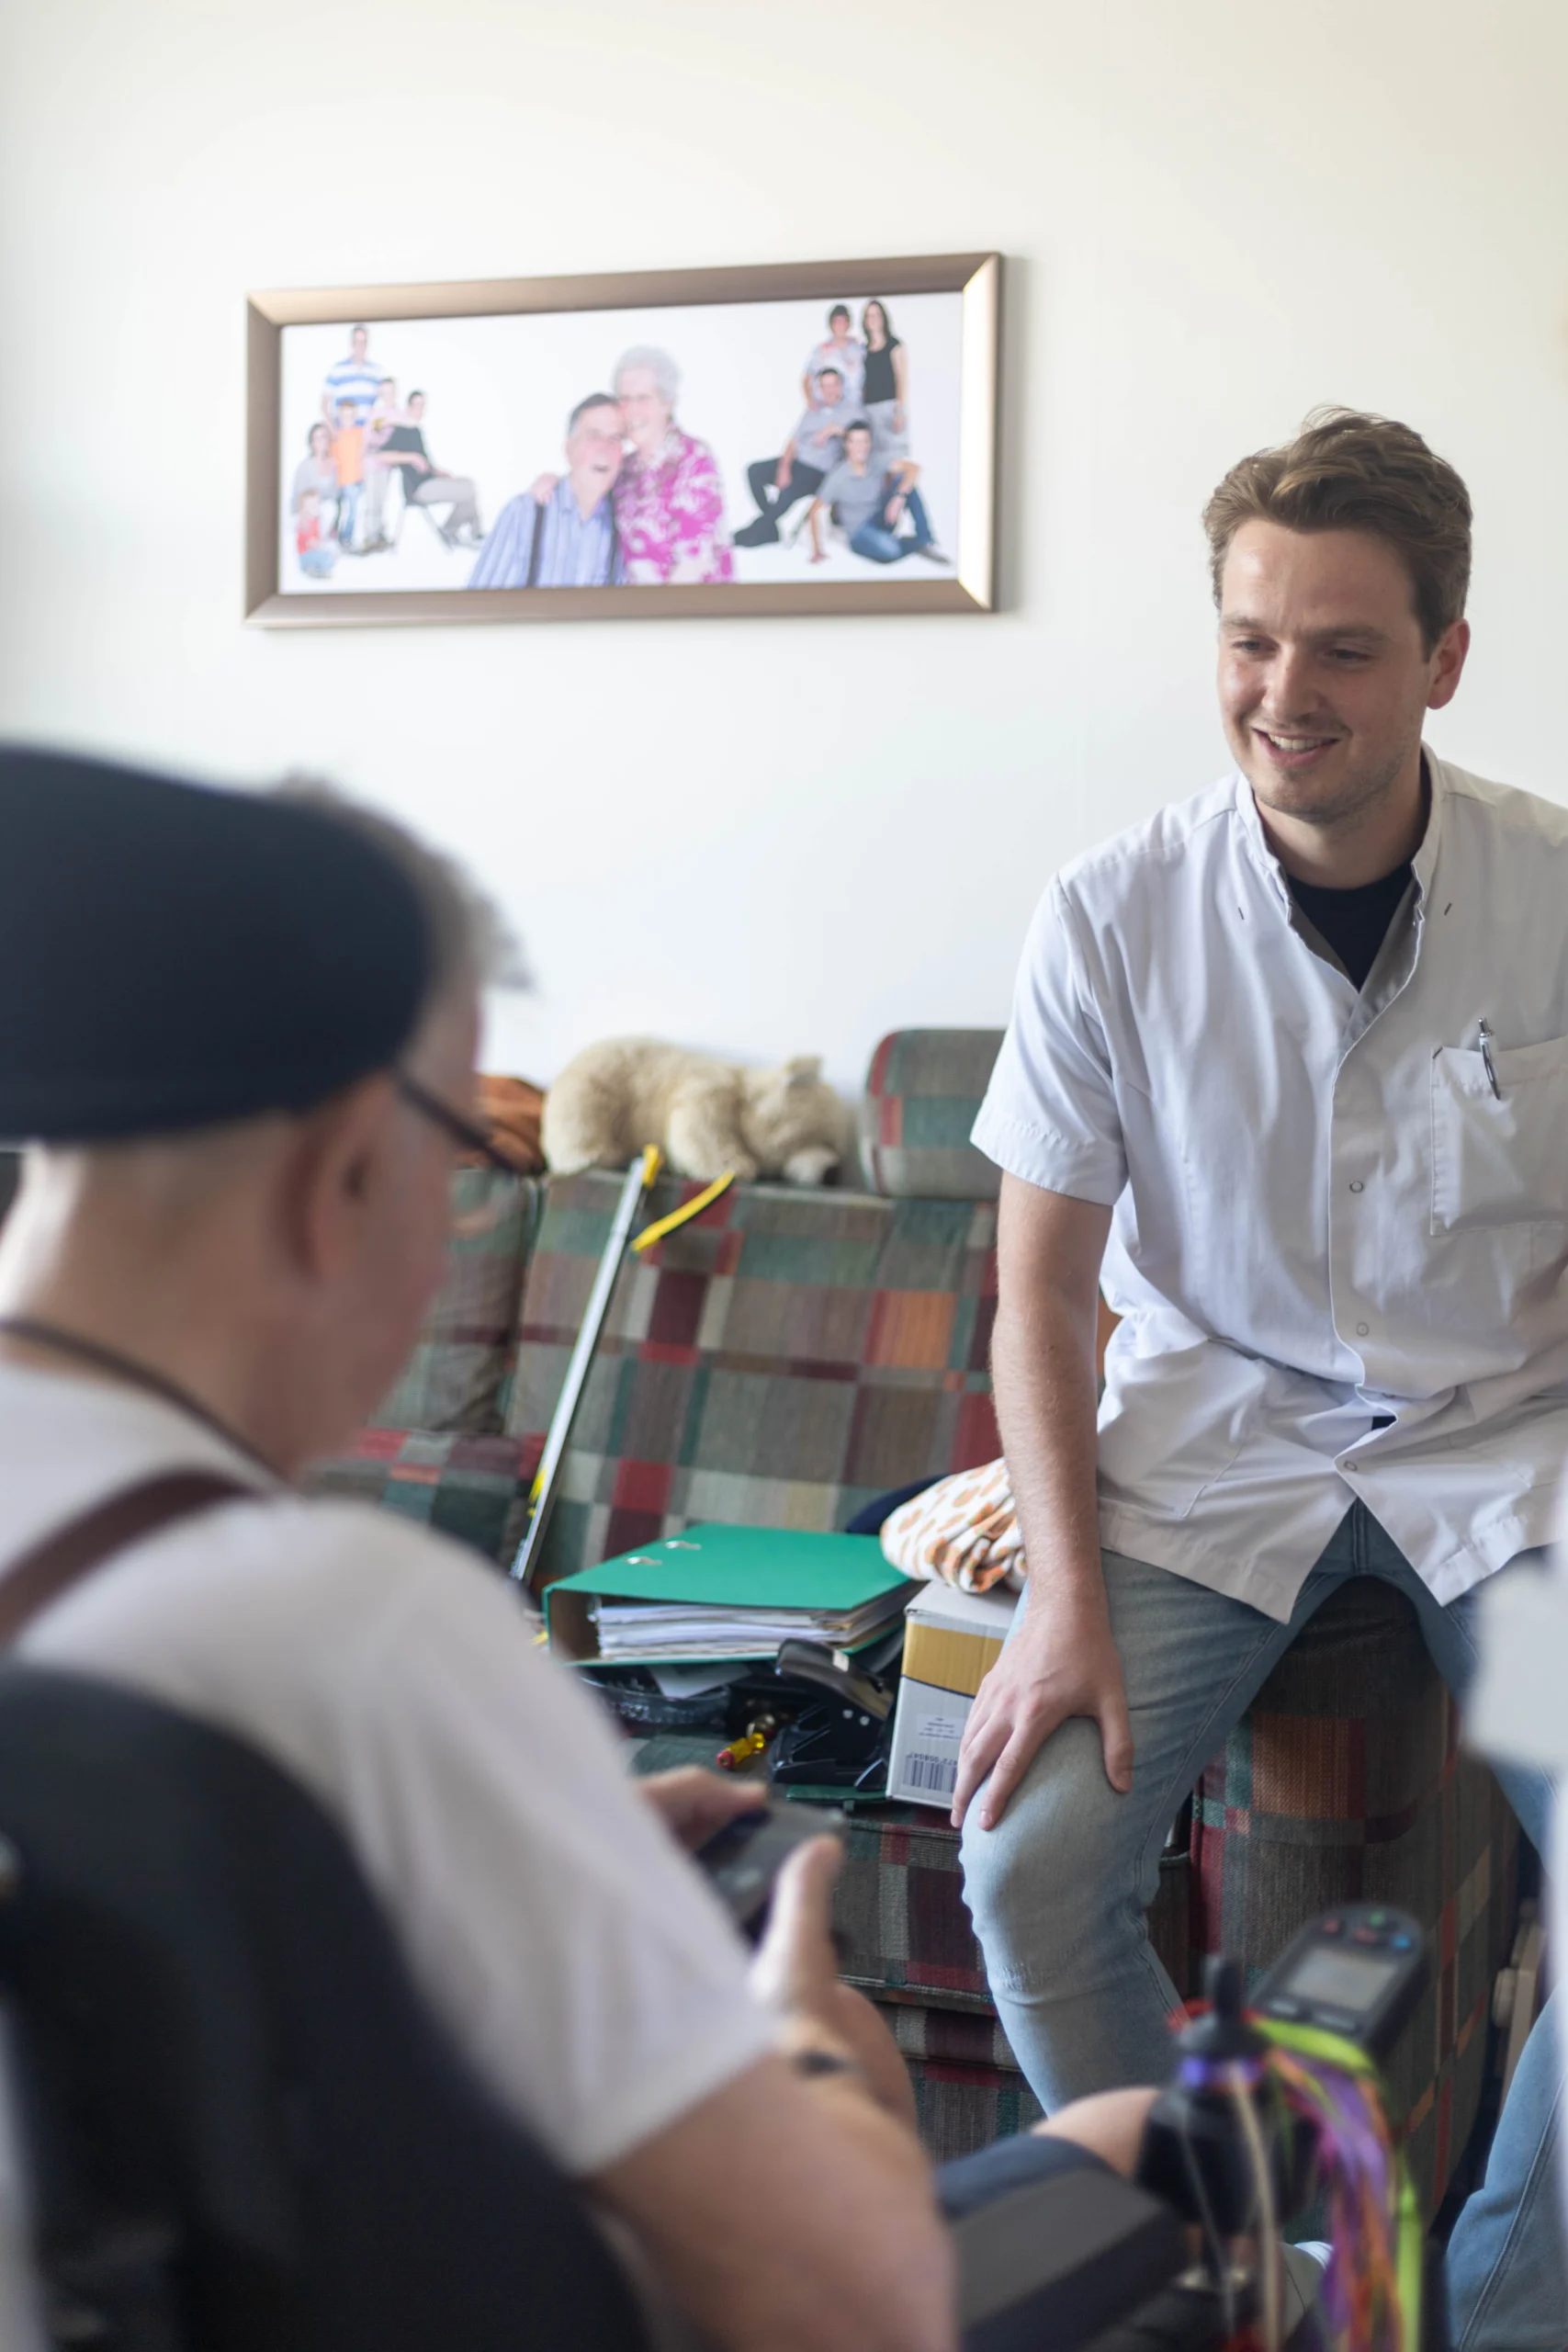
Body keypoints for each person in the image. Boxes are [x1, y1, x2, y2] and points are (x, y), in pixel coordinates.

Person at [0, 745, 1159, 2352]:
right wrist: (796, 2034)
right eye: (465, 1155)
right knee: (1146, 2151)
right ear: (345, 1165)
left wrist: (537, 1846)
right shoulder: (355, 1636)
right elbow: (851, 2303)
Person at [954, 408, 1568, 2348]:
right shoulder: (1107, 914)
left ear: (1443, 658)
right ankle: (1225, 2281)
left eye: (1340, 648)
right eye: (1247, 638)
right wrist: (1061, 1595)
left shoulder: (1557, 892)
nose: (1279, 692)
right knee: (1029, 1855)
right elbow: (1037, 1296)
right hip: (1215, 1458)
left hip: (1511, 1468)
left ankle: (1476, 2306)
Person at [468, 392, 625, 588]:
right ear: (568, 448)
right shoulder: (523, 514)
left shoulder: (625, 524)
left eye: (615, 438)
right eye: (593, 436)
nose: (605, 449)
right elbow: (481, 605)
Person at [610, 345, 732, 585]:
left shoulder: (693, 458)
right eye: (624, 399)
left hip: (690, 614)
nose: (632, 410)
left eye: (643, 398)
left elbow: (693, 565)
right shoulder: (624, 469)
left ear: (667, 403)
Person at [733, 367, 858, 548]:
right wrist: (784, 467)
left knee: (788, 491)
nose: (829, 390)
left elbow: (863, 439)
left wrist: (835, 430)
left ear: (841, 386)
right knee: (753, 471)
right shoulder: (813, 409)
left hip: (819, 471)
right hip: (797, 462)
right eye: (824, 386)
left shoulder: (852, 411)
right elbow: (794, 441)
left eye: (833, 385)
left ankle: (756, 531)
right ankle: (770, 526)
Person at [807, 422, 946, 566]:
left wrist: (899, 496)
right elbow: (813, 512)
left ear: (869, 443)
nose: (860, 447)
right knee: (890, 551)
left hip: (882, 518)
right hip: (860, 533)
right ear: (847, 445)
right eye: (855, 442)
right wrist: (817, 549)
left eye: (864, 441)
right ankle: (913, 543)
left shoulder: (876, 460)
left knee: (904, 481)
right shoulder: (837, 477)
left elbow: (914, 468)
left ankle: (925, 541)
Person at [380, 390, 482, 549]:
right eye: (417, 405)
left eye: (423, 405)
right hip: (418, 489)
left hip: (430, 480)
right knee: (468, 491)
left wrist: (438, 471)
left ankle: (456, 531)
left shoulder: (417, 431)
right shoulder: (401, 430)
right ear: (408, 407)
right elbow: (382, 456)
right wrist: (411, 457)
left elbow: (425, 463)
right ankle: (467, 533)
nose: (420, 409)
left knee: (469, 484)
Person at [360, 375, 407, 554]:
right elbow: (367, 439)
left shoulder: (399, 413)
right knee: (371, 501)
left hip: (387, 465)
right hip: (371, 463)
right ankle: (369, 537)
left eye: (391, 391)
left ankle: (379, 534)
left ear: (395, 392)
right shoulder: (375, 413)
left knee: (381, 500)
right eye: (384, 392)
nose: (388, 395)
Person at [860, 299, 908, 464]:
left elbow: (901, 379)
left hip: (888, 409)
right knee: (874, 460)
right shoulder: (864, 349)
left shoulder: (894, 345)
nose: (873, 319)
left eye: (876, 315)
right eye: (869, 316)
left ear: (883, 318)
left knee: (894, 459)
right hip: (868, 411)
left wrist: (899, 412)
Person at [801, 302, 864, 410]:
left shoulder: (858, 348)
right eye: (836, 321)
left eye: (843, 321)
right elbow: (807, 378)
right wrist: (810, 400)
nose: (840, 325)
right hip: (830, 408)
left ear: (848, 324)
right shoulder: (822, 350)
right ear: (831, 325)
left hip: (855, 407)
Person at [321, 323, 381, 427]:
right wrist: (333, 430)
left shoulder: (376, 372)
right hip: (343, 434)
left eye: (363, 342)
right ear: (351, 343)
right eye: (356, 342)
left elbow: (382, 407)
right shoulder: (337, 370)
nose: (360, 346)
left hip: (366, 437)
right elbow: (324, 405)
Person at [329, 395, 367, 548]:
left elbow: (363, 454)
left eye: (351, 415)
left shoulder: (360, 433)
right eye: (344, 415)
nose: (348, 418)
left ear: (356, 415)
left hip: (357, 479)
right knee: (345, 512)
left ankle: (346, 538)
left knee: (353, 512)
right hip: (342, 482)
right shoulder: (336, 435)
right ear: (339, 415)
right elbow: (332, 459)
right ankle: (342, 537)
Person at [291, 420, 340, 533]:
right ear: (312, 443)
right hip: (305, 511)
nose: (321, 441)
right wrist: (304, 514)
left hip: (320, 511)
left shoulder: (333, 465)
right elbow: (298, 495)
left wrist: (332, 468)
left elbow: (334, 495)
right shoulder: (305, 466)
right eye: (317, 438)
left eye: (324, 437)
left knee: (330, 507)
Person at [294, 487, 335, 580]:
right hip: (305, 555)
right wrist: (320, 545)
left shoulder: (315, 520)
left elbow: (319, 536)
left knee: (329, 556)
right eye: (312, 506)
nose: (316, 507)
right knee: (326, 557)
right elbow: (310, 542)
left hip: (313, 552)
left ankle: (318, 568)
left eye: (317, 504)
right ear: (303, 509)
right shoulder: (304, 522)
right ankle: (312, 569)